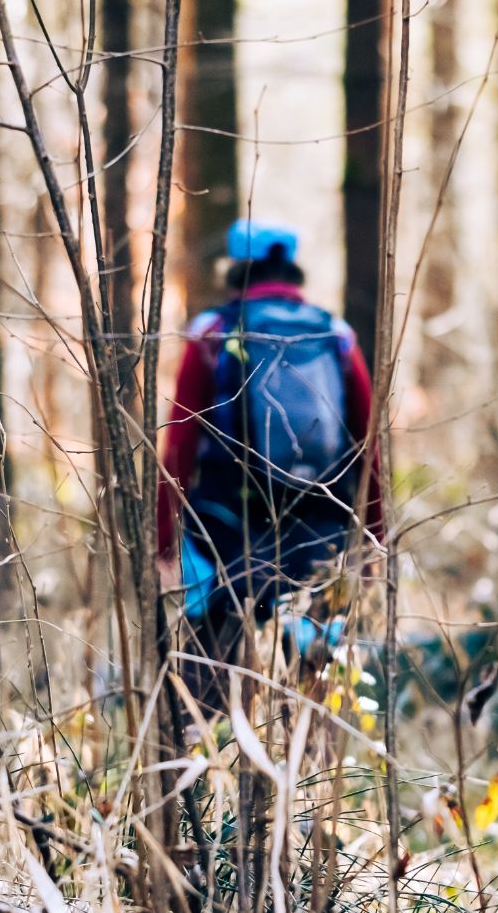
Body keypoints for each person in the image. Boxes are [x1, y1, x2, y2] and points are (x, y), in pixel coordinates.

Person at [158, 220, 381, 680]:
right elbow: (369, 446)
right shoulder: (336, 336)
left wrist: (164, 544)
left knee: (217, 670)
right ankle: (314, 749)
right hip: (320, 529)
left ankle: (216, 743)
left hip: (225, 531)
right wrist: (374, 543)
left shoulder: (213, 332)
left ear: (237, 271)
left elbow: (180, 443)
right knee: (314, 672)